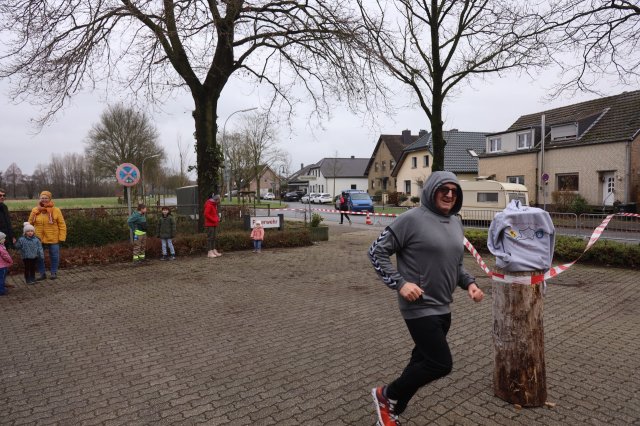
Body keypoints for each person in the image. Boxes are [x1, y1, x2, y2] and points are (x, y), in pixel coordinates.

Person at [367, 171, 484, 426]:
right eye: (444, 189)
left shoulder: (455, 222)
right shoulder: (411, 219)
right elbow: (376, 252)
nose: (450, 195)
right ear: (431, 190)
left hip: (444, 307)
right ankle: (386, 394)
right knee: (440, 363)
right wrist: (400, 283)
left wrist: (470, 284)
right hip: (418, 307)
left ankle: (391, 411)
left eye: (454, 191)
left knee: (420, 361)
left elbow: (455, 265)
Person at [29, 190, 67, 280]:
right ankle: (42, 274)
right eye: (42, 198)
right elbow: (30, 223)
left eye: (46, 198)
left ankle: (53, 272)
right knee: (39, 256)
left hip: (53, 237)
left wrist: (61, 237)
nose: (44, 200)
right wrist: (29, 235)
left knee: (54, 255)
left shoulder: (56, 210)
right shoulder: (35, 210)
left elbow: (62, 224)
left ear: (50, 199)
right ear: (39, 199)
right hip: (38, 237)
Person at [204, 193, 222, 258]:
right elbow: (206, 214)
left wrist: (217, 218)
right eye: (219, 200)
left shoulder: (214, 205)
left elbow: (214, 213)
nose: (219, 202)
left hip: (214, 223)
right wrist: (214, 219)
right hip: (210, 224)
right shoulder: (209, 205)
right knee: (210, 238)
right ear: (216, 200)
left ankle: (213, 250)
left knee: (214, 237)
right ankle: (209, 252)